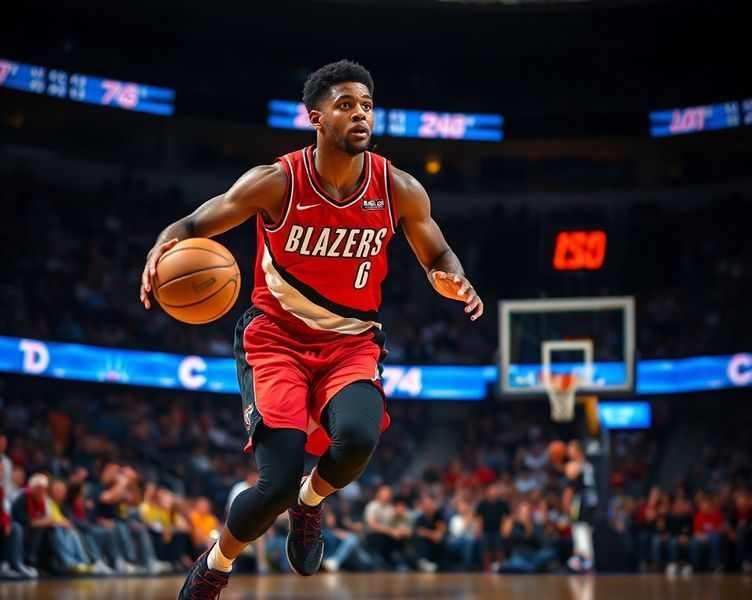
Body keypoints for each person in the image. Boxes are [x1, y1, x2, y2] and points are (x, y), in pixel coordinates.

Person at [139, 59, 483, 599]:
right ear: (316, 118)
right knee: (273, 486)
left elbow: (437, 251)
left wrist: (452, 277)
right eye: (346, 105)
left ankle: (311, 501)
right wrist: (160, 250)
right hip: (276, 339)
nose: (360, 114)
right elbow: (193, 224)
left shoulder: (399, 188)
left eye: (367, 105)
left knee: (359, 440)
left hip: (351, 341)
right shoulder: (276, 182)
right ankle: (217, 563)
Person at [562, 440, 598, 573]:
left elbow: (570, 487)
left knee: (579, 526)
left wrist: (566, 504)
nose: (568, 451)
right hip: (592, 498)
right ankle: (586, 558)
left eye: (570, 448)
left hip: (581, 499)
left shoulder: (573, 466)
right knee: (586, 528)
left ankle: (584, 559)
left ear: (577, 450)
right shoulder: (588, 465)